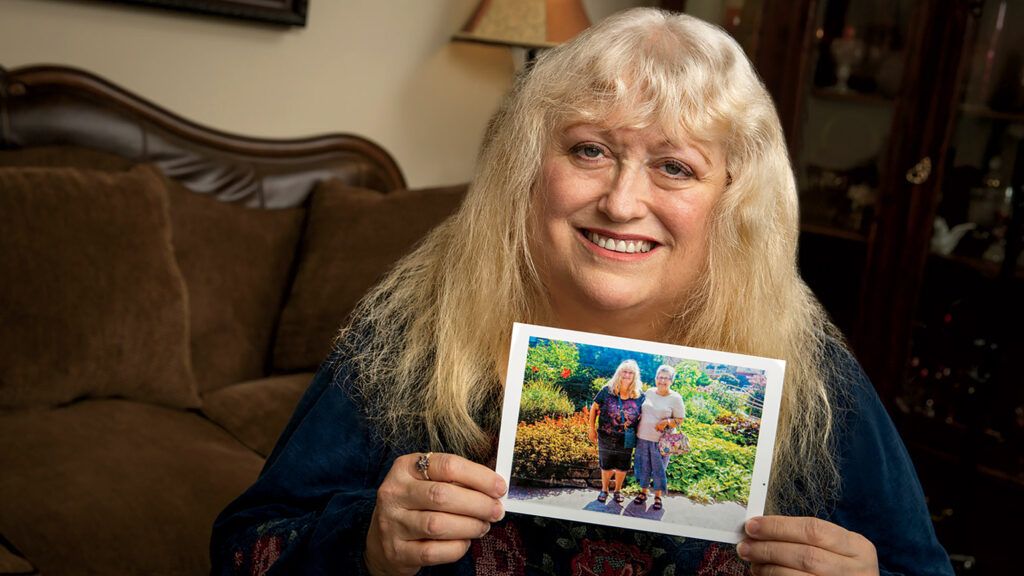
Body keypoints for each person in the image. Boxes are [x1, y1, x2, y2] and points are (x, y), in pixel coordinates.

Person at [211, 8, 955, 576]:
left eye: (675, 167)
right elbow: (244, 548)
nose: (623, 202)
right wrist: (365, 540)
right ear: (530, 166)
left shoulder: (804, 362)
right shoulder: (418, 325)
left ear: (733, 198)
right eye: (590, 150)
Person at [587, 359, 645, 504]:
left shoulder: (639, 395)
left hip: (626, 438)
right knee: (605, 465)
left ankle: (617, 491)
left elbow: (645, 414)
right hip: (606, 436)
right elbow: (594, 408)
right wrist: (591, 428)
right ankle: (604, 490)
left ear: (635, 376)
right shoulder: (607, 390)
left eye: (631, 372)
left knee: (622, 466)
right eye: (624, 371)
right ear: (619, 373)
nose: (627, 375)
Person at [633, 364, 686, 510]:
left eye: (666, 378)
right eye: (660, 377)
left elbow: (680, 419)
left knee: (659, 469)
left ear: (671, 381)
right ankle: (643, 493)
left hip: (663, 441)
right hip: (643, 437)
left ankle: (658, 497)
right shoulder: (649, 392)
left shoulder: (676, 398)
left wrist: (667, 421)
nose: (662, 381)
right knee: (643, 467)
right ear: (656, 378)